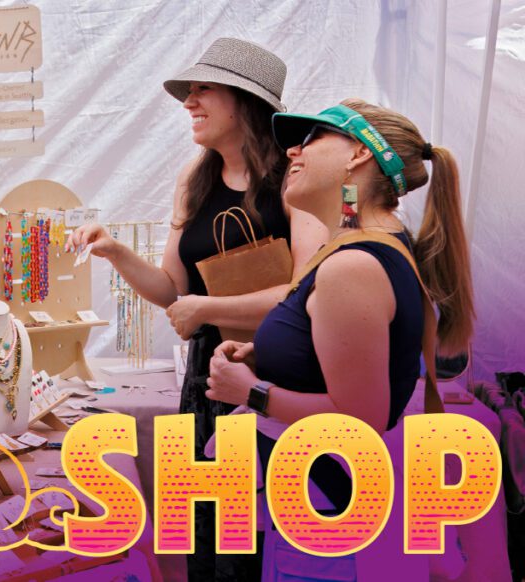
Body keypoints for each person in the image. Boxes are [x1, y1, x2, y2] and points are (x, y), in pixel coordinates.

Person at [206, 99, 502, 579]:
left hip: (331, 513)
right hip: (326, 504)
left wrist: (250, 392)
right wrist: (271, 353)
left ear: (360, 154)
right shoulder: (360, 242)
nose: (293, 152)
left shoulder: (352, 266)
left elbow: (360, 418)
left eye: (313, 138)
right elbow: (362, 354)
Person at [67, 38, 326, 580]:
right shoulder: (195, 179)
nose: (189, 101)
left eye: (203, 88)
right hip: (208, 380)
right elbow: (171, 290)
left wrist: (206, 306)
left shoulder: (294, 179)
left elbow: (308, 291)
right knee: (207, 538)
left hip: (276, 376)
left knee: (262, 542)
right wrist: (114, 250)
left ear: (245, 100)